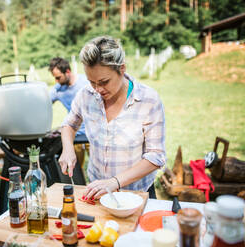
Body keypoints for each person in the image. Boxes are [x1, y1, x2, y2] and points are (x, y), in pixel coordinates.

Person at [58, 36, 166, 199]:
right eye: (92, 81)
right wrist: (67, 149)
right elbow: (69, 124)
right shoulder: (85, 95)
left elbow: (155, 156)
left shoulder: (148, 100)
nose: (97, 89)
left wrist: (115, 182)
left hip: (136, 193)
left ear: (122, 69)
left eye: (104, 81)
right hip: (97, 192)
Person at [48, 57, 90, 169]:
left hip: (92, 134)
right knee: (75, 170)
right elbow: (44, 103)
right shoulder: (58, 89)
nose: (56, 81)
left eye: (58, 77)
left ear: (67, 71)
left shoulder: (86, 82)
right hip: (75, 135)